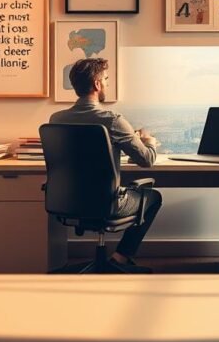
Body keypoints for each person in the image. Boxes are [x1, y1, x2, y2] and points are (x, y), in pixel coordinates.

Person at [49, 58, 162, 273]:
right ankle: (120, 257)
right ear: (97, 84)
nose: (107, 84)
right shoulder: (112, 119)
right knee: (154, 196)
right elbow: (146, 160)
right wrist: (150, 142)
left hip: (66, 199)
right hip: (107, 202)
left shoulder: (56, 119)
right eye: (106, 80)